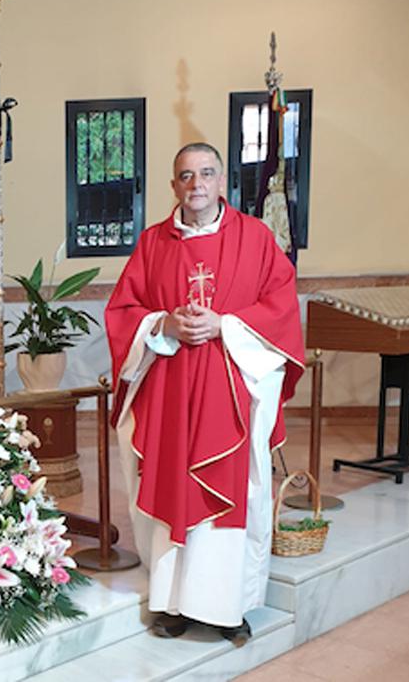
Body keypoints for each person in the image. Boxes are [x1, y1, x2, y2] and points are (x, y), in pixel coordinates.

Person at [105, 142, 304, 647]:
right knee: (171, 486)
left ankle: (226, 608)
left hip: (230, 394)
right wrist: (164, 324)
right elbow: (124, 312)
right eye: (186, 176)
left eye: (206, 173)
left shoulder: (255, 238)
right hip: (170, 394)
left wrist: (225, 325)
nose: (196, 184)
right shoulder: (152, 243)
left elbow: (281, 309)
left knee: (232, 493)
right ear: (174, 185)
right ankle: (171, 602)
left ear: (222, 181)